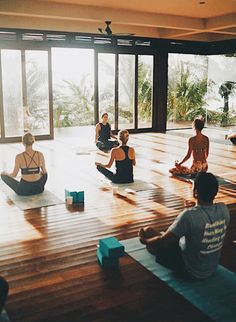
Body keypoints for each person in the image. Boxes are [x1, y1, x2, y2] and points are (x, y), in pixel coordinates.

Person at [139, 172, 230, 280]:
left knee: (148, 231)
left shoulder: (189, 215)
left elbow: (163, 241)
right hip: (211, 268)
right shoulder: (224, 209)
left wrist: (145, 241)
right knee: (178, 236)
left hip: (189, 271)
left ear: (196, 192)